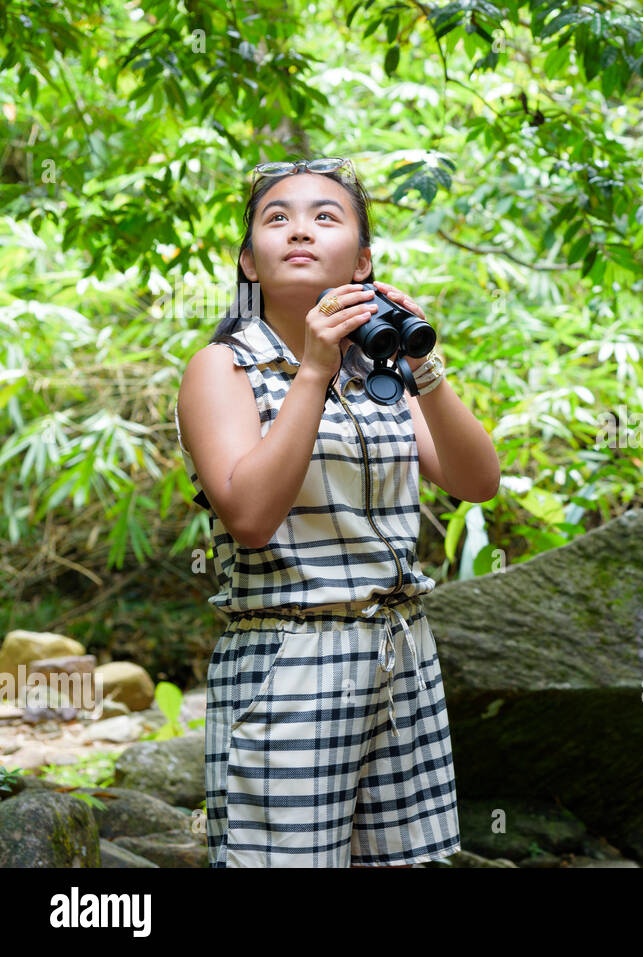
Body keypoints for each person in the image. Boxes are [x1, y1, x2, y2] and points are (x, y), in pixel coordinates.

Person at [173, 157, 499, 867]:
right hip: (291, 655)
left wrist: (425, 368)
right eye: (276, 217)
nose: (300, 231)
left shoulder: (376, 371)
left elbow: (477, 481)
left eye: (326, 217)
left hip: (401, 648)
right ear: (248, 263)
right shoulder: (223, 368)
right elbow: (252, 517)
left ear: (363, 261)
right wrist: (313, 370)